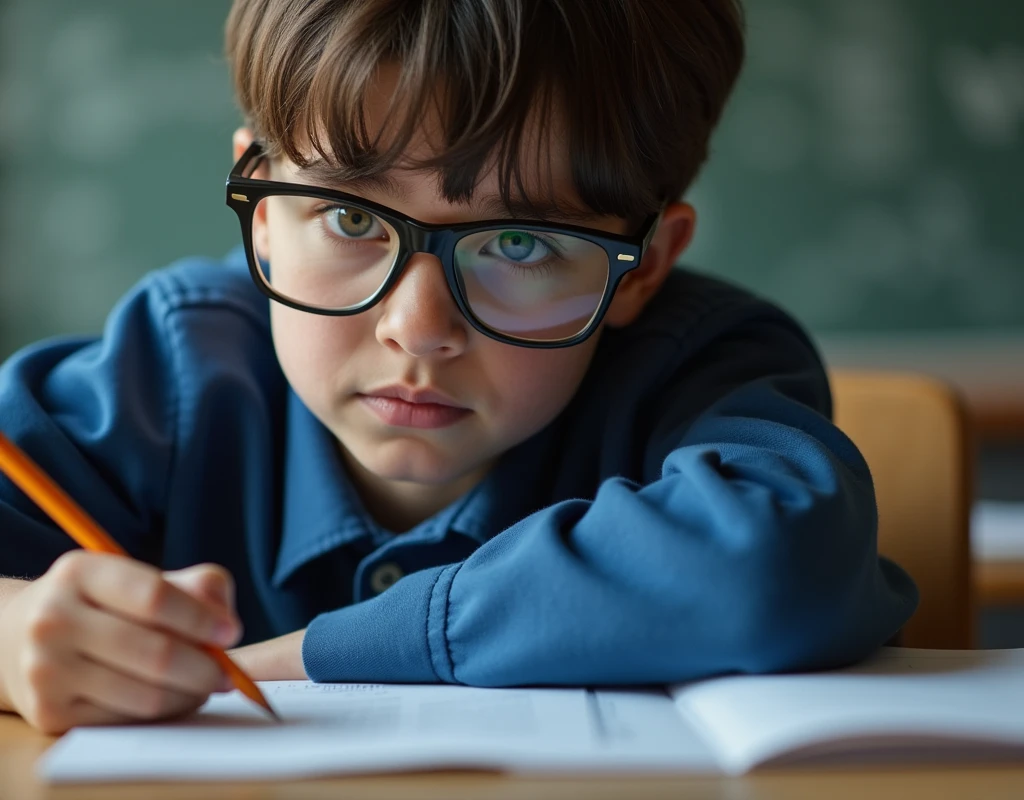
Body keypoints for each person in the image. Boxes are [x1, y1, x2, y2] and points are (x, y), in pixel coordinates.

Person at [0, 0, 916, 735]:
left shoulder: (695, 365)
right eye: (351, 220)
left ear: (650, 265)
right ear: (266, 215)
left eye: (519, 243)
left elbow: (773, 563)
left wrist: (315, 654)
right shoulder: (170, 372)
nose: (418, 327)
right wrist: (11, 637)